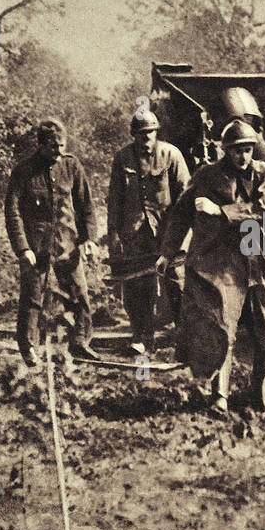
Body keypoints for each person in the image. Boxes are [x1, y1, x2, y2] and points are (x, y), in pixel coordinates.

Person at [158, 119, 265, 413]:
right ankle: (220, 394)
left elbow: (261, 209)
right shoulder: (206, 176)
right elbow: (181, 213)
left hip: (260, 257)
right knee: (222, 328)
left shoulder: (264, 175)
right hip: (224, 263)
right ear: (226, 150)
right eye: (237, 150)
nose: (244, 156)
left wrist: (220, 211)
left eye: (248, 150)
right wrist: (168, 252)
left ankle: (260, 383)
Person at [5, 117, 100, 367]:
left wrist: (89, 238)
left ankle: (79, 342)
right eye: (53, 146)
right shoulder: (24, 171)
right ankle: (28, 347)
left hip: (66, 241)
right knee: (33, 296)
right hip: (36, 245)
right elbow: (12, 212)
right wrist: (22, 248)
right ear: (41, 144)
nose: (59, 151)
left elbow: (86, 205)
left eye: (62, 145)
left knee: (78, 293)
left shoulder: (71, 166)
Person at [107, 105, 190, 354]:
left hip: (168, 232)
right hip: (135, 233)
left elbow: (185, 195)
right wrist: (113, 233)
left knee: (176, 283)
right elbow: (114, 200)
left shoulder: (171, 155)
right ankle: (142, 337)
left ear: (157, 133)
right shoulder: (122, 159)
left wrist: (183, 236)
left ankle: (183, 337)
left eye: (151, 133)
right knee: (136, 286)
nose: (146, 139)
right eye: (141, 134)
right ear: (133, 135)